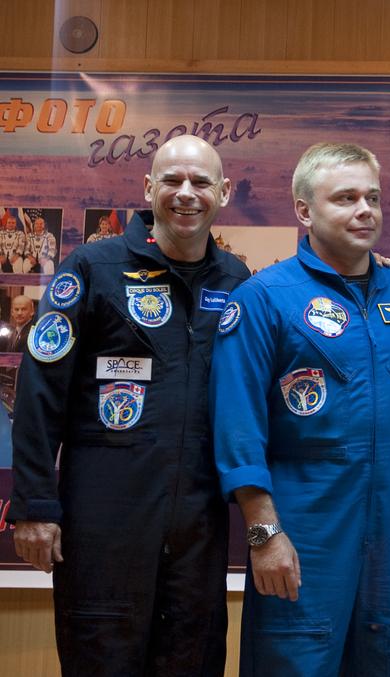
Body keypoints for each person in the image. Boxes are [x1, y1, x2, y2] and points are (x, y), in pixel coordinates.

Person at [8, 135, 248, 676]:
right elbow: (39, 394)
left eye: (201, 182)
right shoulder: (92, 268)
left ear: (224, 193)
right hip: (104, 521)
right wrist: (34, 506)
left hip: (198, 524)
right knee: (102, 659)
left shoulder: (236, 281)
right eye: (172, 180)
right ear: (148, 188)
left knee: (194, 657)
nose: (186, 194)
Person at [211, 142, 390, 676]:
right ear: (304, 210)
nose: (365, 210)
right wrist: (264, 534)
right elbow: (236, 424)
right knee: (295, 654)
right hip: (303, 507)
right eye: (345, 198)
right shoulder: (265, 297)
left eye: (373, 197)